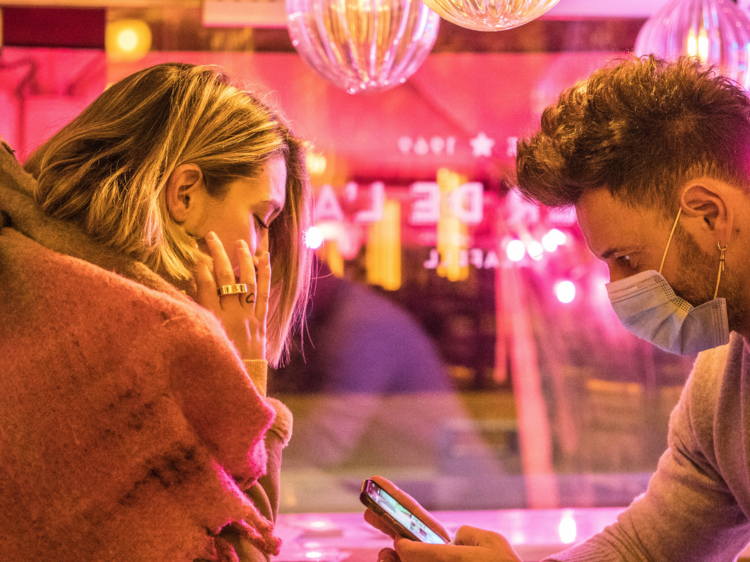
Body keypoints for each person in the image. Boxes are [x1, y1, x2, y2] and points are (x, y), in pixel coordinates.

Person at [367, 55, 750, 562]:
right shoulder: (720, 377)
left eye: (628, 259)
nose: (619, 290)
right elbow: (646, 547)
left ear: (709, 213)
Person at [0, 62, 311, 561]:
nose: (261, 253)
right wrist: (245, 375)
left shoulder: (27, 276)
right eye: (260, 218)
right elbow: (238, 552)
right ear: (184, 193)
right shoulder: (156, 340)